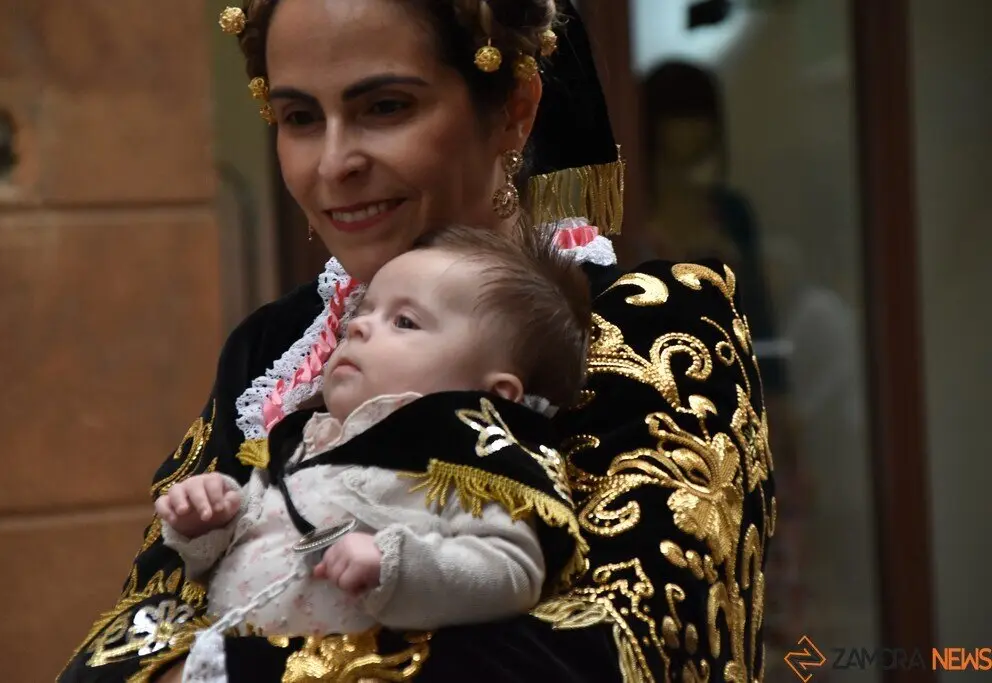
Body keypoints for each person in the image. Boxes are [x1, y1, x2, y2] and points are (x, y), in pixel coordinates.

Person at [59, 2, 776, 682]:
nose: (333, 164)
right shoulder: (274, 348)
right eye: (300, 117)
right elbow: (141, 621)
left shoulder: (655, 327)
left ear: (515, 109)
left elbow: (631, 649)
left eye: (385, 107)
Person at [154, 225, 590, 650]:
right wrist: (214, 519)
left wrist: (394, 565)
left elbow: (513, 571)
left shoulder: (468, 462)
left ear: (493, 396)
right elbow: (255, 532)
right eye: (359, 316)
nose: (359, 328)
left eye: (404, 321)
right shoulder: (306, 439)